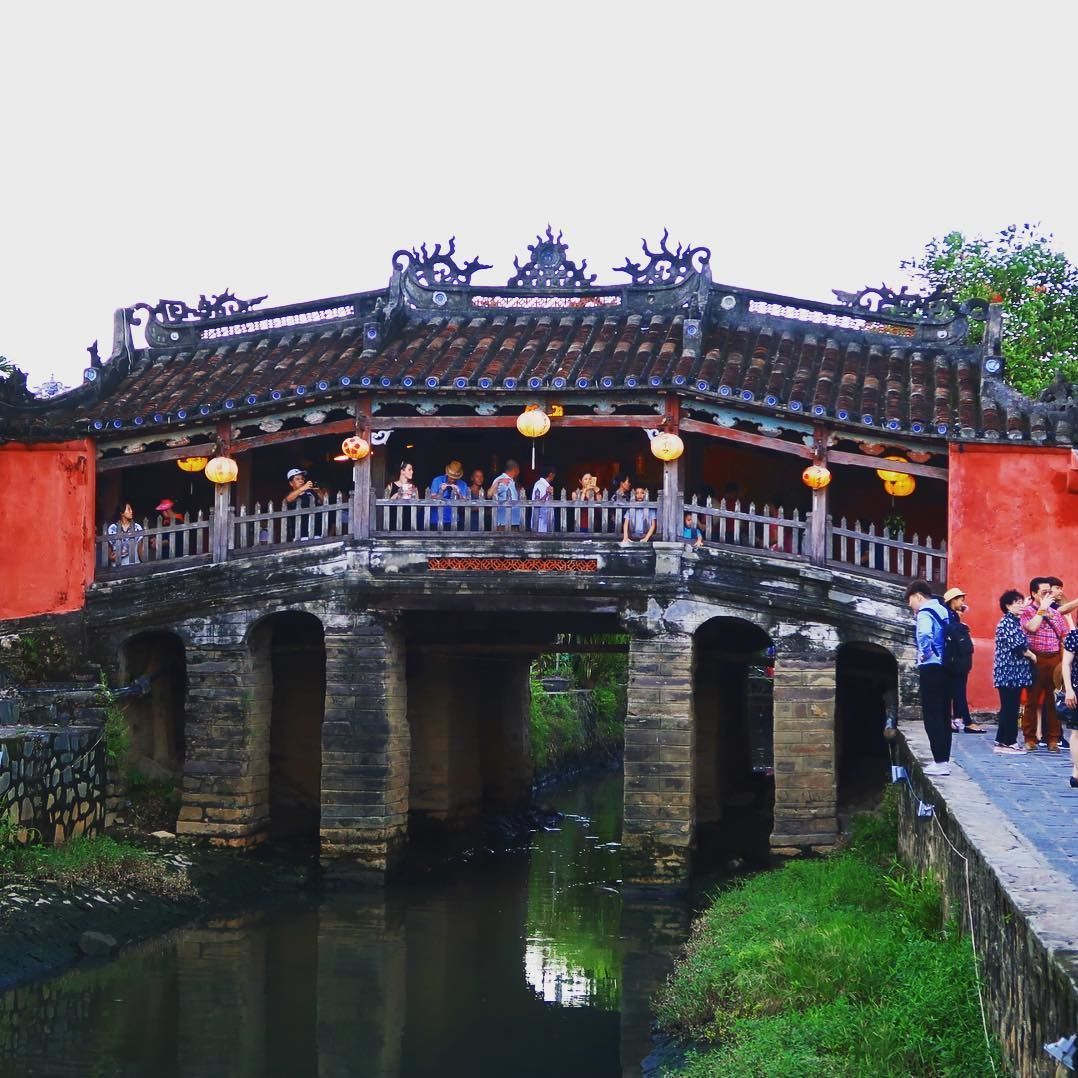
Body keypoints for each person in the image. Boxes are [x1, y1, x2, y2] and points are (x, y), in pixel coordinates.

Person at [904, 579, 952, 775]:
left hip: (931, 666)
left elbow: (924, 634)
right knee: (943, 715)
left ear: (918, 596)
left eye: (911, 602)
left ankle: (939, 762)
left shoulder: (925, 612)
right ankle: (944, 760)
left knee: (931, 715)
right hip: (946, 666)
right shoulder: (942, 610)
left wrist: (925, 652)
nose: (911, 607)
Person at [1020, 577, 1067, 753]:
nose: (1048, 596)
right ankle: (1030, 737)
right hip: (1036, 658)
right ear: (1033, 594)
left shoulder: (1055, 614)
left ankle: (1053, 738)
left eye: (1049, 592)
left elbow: (1063, 635)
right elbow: (1031, 627)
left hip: (1054, 658)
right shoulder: (1026, 611)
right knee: (1032, 700)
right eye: (1043, 593)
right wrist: (1041, 610)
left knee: (1053, 700)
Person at [992, 589, 1035, 755]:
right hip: (1008, 673)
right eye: (1016, 602)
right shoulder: (1007, 623)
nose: (1020, 605)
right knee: (1010, 708)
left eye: (1021, 602)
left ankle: (1001, 740)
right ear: (1008, 606)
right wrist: (1032, 656)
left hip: (1014, 674)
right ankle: (1009, 742)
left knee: (1009, 707)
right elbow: (1018, 647)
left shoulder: (1014, 621)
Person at [942, 587, 982, 733]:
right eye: (960, 599)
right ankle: (967, 721)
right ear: (953, 601)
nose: (962, 602)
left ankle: (956, 719)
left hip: (956, 659)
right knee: (958, 691)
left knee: (955, 690)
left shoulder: (952, 616)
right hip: (956, 659)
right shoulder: (950, 618)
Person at [1058, 627, 1078, 786]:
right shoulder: (1075, 636)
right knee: (1076, 732)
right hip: (1077, 690)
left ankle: (1076, 774)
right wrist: (1069, 690)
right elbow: (1066, 664)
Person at [429, 460, 468, 529]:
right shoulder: (437, 480)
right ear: (446, 473)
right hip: (436, 520)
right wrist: (441, 491)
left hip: (455, 520)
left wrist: (458, 493)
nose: (452, 479)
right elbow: (431, 499)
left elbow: (464, 506)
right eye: (451, 477)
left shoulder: (463, 484)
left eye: (455, 478)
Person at [107, 502, 145, 566]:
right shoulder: (112, 528)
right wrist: (110, 556)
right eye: (129, 509)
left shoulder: (137, 527)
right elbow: (109, 548)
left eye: (131, 509)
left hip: (134, 565)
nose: (131, 511)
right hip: (117, 567)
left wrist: (144, 564)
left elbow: (140, 548)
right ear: (122, 513)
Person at [489, 460, 522, 530]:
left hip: (514, 521)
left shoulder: (511, 480)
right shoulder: (501, 479)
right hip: (503, 522)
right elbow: (489, 494)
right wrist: (498, 482)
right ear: (515, 469)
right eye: (519, 469)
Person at [531, 467, 556, 533]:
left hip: (546, 521)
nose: (554, 477)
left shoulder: (545, 485)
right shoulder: (540, 484)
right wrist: (547, 493)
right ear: (551, 474)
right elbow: (537, 502)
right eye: (554, 475)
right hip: (540, 522)